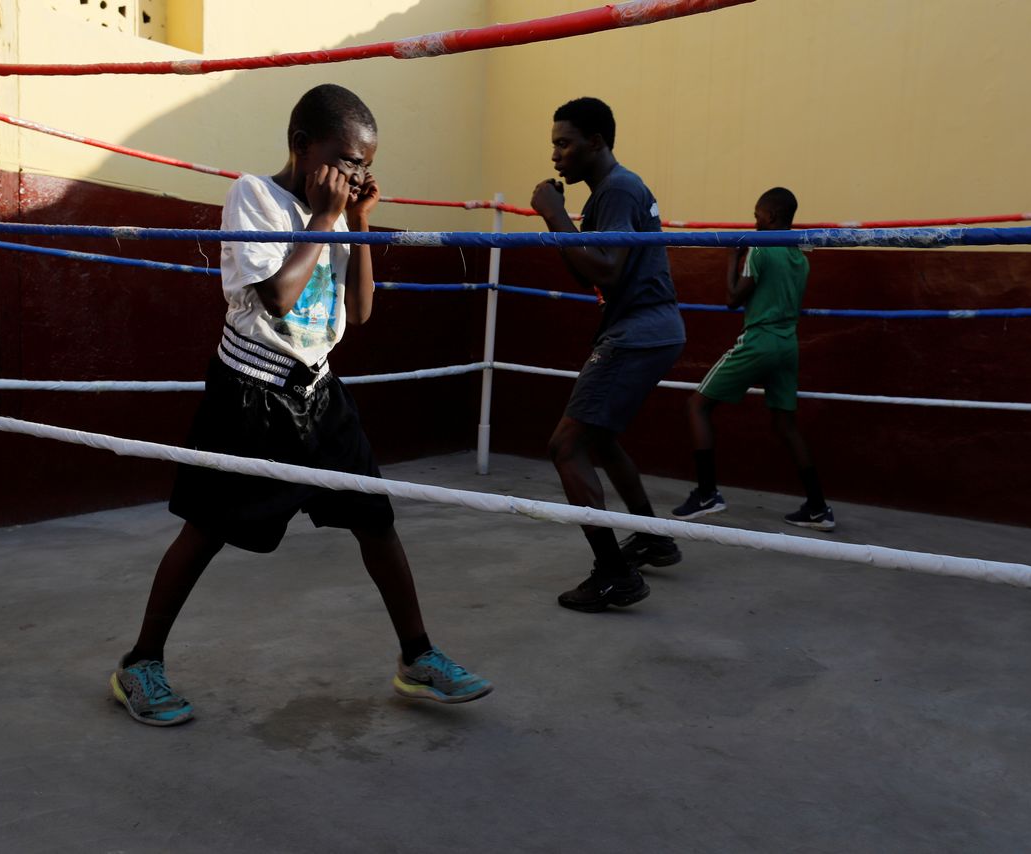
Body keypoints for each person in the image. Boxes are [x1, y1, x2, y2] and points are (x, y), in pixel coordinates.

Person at [109, 84, 492, 726]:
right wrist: (320, 219)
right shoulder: (255, 196)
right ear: (300, 146)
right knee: (205, 529)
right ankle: (140, 662)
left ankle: (417, 657)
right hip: (249, 394)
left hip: (319, 392)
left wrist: (359, 223)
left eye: (364, 164)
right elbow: (277, 301)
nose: (355, 175)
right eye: (345, 160)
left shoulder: (339, 213)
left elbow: (361, 312)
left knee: (377, 521)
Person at [529, 97, 686, 613]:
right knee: (601, 438)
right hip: (647, 326)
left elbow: (608, 271)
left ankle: (614, 574)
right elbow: (590, 271)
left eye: (564, 143)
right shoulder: (608, 195)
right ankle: (651, 537)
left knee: (565, 447)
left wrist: (554, 215)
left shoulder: (618, 189)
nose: (556, 155)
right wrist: (561, 224)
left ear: (595, 142)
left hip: (639, 328)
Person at [673, 187, 835, 531]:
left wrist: (733, 254)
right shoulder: (799, 257)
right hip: (788, 344)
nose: (754, 221)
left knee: (696, 406)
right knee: (786, 424)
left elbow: (733, 298)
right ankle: (819, 507)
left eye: (757, 215)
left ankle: (706, 494)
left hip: (759, 341)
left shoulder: (761, 248)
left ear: (771, 217)